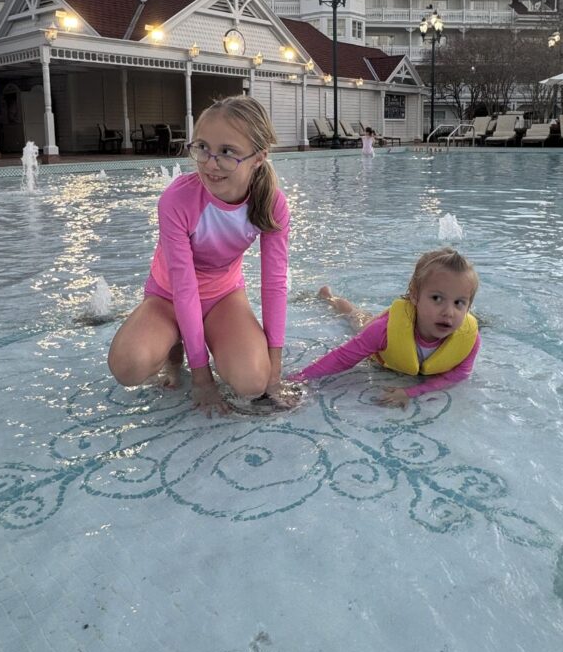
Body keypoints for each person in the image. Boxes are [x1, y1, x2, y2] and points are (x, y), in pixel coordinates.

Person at [108, 95, 290, 416]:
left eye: (227, 152)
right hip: (168, 296)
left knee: (253, 382)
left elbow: (274, 284)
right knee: (128, 366)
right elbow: (183, 285)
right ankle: (176, 344)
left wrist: (275, 369)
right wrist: (202, 377)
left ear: (258, 158)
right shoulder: (177, 200)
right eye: (202, 147)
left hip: (223, 296)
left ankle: (208, 335)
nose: (209, 162)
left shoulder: (271, 204)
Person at [289, 248, 480, 409]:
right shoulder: (382, 331)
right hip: (377, 332)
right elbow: (342, 358)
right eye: (437, 298)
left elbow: (458, 375)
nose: (449, 312)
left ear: (469, 307)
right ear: (414, 296)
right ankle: (329, 297)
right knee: (354, 316)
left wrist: (412, 392)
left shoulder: (469, 339)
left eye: (459, 303)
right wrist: (298, 380)